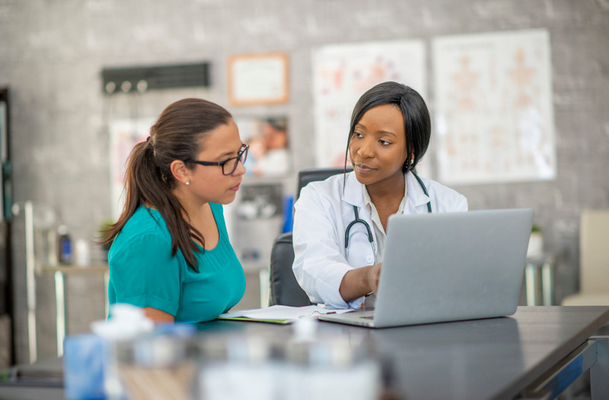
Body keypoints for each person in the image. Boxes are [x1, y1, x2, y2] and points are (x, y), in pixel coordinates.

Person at [292, 82, 468, 310]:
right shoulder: (318, 197)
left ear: (411, 151)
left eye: (384, 141)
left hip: (423, 332)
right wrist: (368, 278)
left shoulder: (449, 204)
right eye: (358, 134)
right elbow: (314, 271)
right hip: (346, 336)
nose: (363, 151)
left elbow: (457, 282)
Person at [101, 98, 248, 323]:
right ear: (181, 171)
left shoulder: (211, 206)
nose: (241, 169)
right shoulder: (149, 241)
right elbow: (151, 350)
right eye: (225, 161)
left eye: (239, 154)